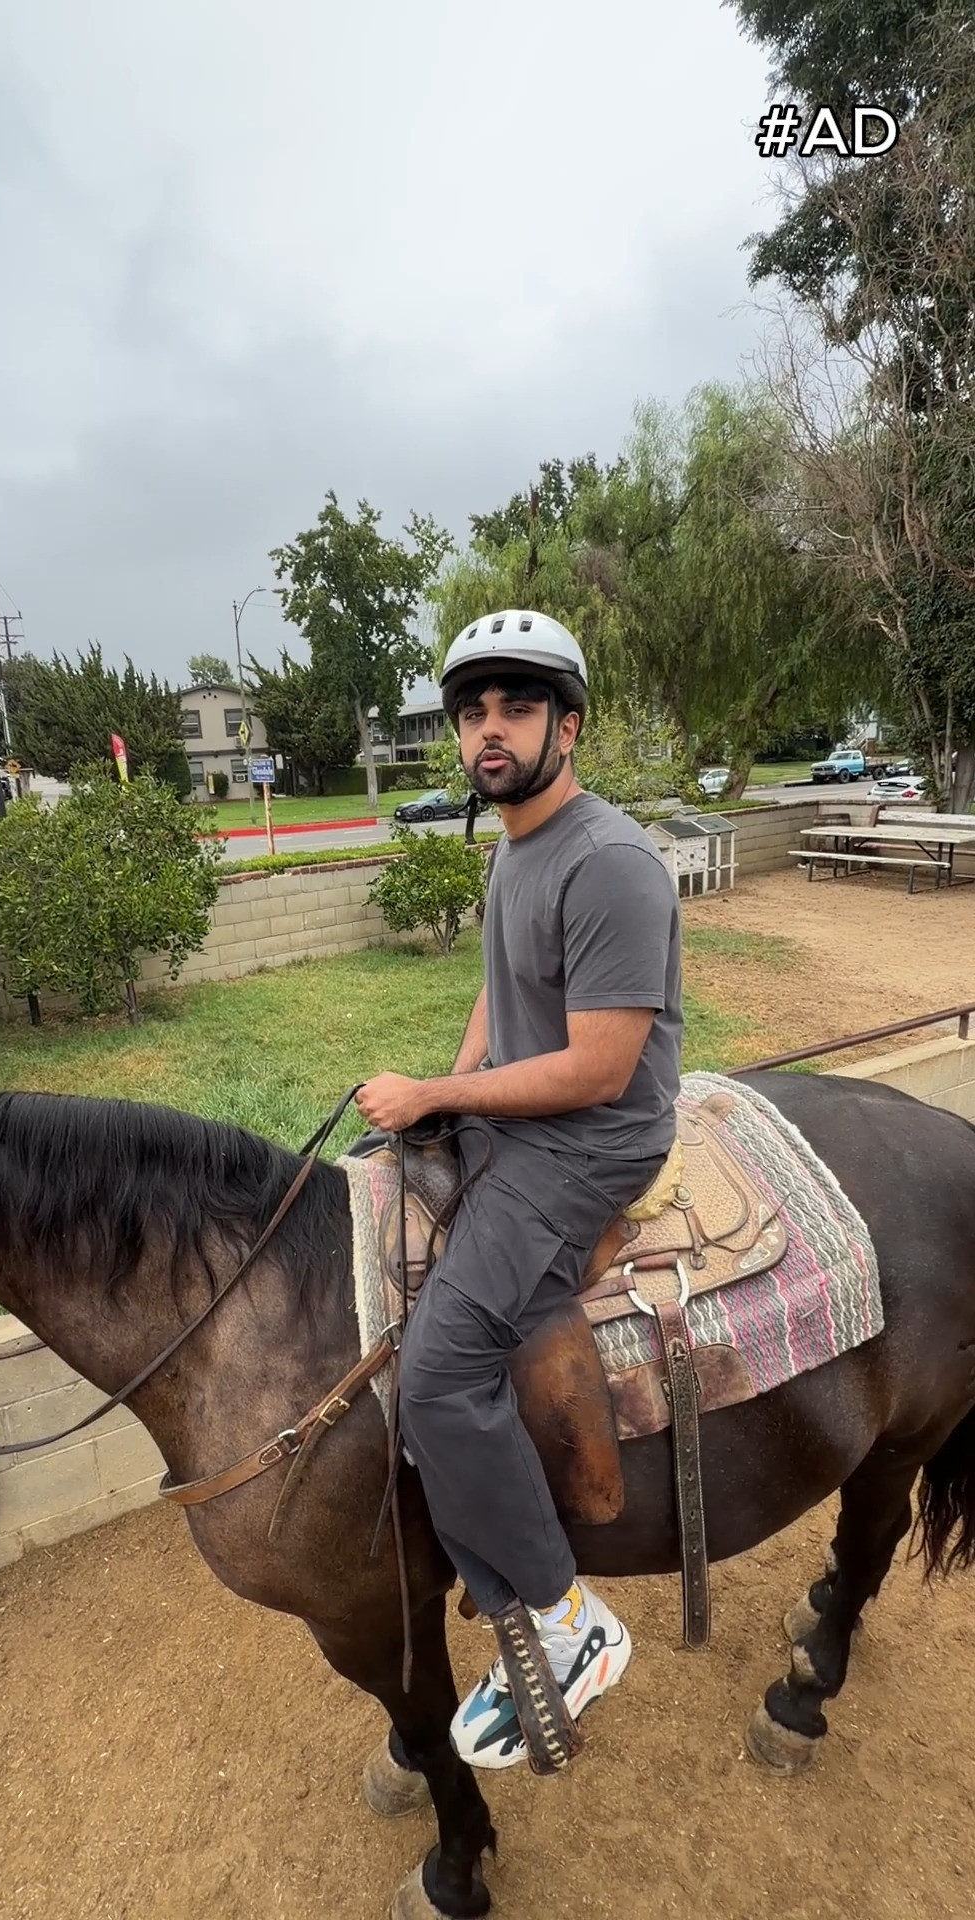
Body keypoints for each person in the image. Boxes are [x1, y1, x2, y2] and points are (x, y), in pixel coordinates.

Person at [356, 610, 683, 1769]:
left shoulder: (611, 865)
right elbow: (504, 997)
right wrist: (448, 1086)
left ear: (568, 724)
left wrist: (454, 1100)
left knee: (441, 1374)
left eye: (517, 707)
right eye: (472, 712)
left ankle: (566, 1617)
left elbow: (599, 1066)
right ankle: (498, 1583)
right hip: (531, 1122)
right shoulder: (516, 846)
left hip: (593, 1143)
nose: (489, 731)